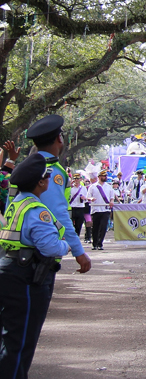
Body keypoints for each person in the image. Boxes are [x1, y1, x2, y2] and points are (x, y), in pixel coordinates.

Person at [0, 153, 86, 377]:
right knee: (22, 339)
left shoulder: (17, 203)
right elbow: (49, 247)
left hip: (11, 269)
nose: (49, 180)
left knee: (11, 337)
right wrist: (66, 246)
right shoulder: (37, 211)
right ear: (41, 182)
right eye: (47, 177)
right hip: (27, 276)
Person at [24, 115, 91, 273]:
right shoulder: (51, 171)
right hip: (39, 248)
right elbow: (58, 212)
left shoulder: (26, 166)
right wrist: (78, 251)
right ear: (59, 139)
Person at [87, 170, 115, 250]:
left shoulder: (109, 186)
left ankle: (100, 243)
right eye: (103, 176)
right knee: (95, 227)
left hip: (105, 209)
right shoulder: (93, 186)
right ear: (99, 177)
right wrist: (91, 199)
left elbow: (112, 197)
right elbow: (88, 197)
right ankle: (94, 243)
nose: (105, 177)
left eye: (105, 176)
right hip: (96, 209)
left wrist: (111, 202)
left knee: (103, 227)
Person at [69, 174, 89, 239]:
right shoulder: (70, 188)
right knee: (71, 224)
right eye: (75, 179)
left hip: (80, 207)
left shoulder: (83, 188)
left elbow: (86, 198)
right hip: (72, 207)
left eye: (77, 179)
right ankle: (72, 236)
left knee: (79, 224)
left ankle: (77, 236)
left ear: (80, 179)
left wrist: (84, 198)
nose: (76, 180)